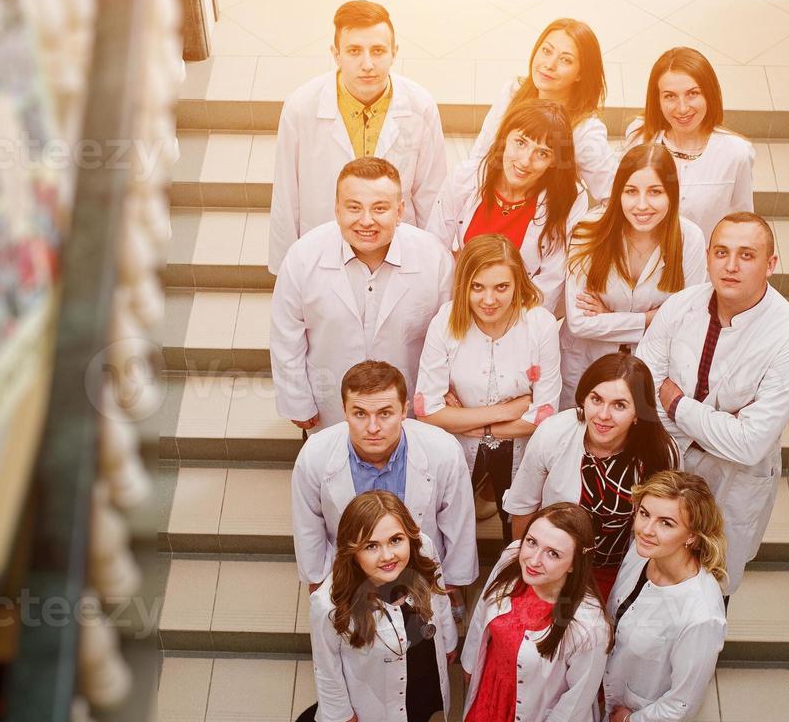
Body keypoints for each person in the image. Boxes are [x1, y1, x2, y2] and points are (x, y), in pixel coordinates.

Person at [637, 211, 789, 597]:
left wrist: (677, 403)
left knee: (712, 585)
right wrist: (720, 423)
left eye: (747, 255)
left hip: (733, 480)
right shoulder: (681, 306)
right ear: (708, 257)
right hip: (669, 459)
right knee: (650, 570)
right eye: (721, 252)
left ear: (771, 265)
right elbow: (642, 387)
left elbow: (749, 443)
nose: (731, 266)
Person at [578, 470, 728, 722]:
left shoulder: (701, 614)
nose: (646, 529)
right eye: (644, 513)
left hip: (643, 710)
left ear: (692, 535)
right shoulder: (644, 551)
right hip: (619, 688)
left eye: (666, 523)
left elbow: (684, 699)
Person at [442, 504, 609, 722]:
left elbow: (577, 699)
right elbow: (482, 613)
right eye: (532, 542)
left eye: (552, 553)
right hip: (495, 689)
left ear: (575, 563)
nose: (533, 559)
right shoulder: (512, 558)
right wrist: (471, 664)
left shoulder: (587, 625)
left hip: (544, 707)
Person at [308, 491, 457, 722]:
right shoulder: (329, 603)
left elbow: (440, 597)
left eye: (395, 540)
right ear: (352, 551)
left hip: (420, 670)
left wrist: (449, 643)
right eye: (371, 546)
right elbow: (326, 664)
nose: (388, 555)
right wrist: (338, 711)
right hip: (372, 693)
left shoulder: (423, 554)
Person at [270, 157, 453, 430]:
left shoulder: (434, 257)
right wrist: (297, 400)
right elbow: (286, 336)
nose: (366, 221)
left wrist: (443, 392)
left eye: (380, 208)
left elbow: (451, 335)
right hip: (329, 409)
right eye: (354, 208)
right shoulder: (303, 256)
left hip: (411, 411)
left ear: (400, 210)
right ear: (337, 209)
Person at [268, 0, 447, 273]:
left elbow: (431, 193)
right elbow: (286, 195)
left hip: (397, 248)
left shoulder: (420, 106)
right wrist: (286, 271)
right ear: (336, 54)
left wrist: (434, 264)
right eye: (354, 51)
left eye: (378, 51)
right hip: (323, 249)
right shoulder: (301, 107)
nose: (367, 64)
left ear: (394, 52)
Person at [501, 353, 679, 600]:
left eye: (619, 405)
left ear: (638, 412)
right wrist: (530, 569)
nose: (603, 415)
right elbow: (523, 507)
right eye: (596, 399)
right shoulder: (553, 432)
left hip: (618, 571)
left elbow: (663, 526)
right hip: (554, 568)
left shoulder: (661, 452)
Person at [415, 236, 562, 532]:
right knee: (447, 527)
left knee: (520, 533)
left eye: (501, 287)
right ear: (463, 285)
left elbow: (543, 418)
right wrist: (507, 410)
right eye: (477, 287)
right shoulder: (445, 321)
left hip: (520, 449)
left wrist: (466, 423)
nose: (489, 300)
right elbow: (427, 412)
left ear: (518, 283)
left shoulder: (540, 325)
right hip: (456, 448)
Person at [291, 361, 478, 593]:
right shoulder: (314, 454)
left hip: (421, 574)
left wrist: (449, 587)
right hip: (351, 575)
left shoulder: (444, 451)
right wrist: (319, 585)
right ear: (344, 411)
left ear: (404, 411)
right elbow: (308, 528)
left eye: (385, 413)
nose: (372, 427)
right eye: (360, 413)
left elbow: (458, 524)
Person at [560, 143, 707, 403]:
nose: (642, 205)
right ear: (618, 193)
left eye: (655, 192)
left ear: (671, 194)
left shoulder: (690, 238)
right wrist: (650, 318)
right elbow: (580, 322)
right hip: (585, 362)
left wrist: (610, 317)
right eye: (631, 191)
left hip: (649, 366)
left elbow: (685, 322)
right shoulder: (587, 231)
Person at [428, 99, 590, 316]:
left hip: (521, 313)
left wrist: (511, 325)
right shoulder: (464, 177)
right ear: (504, 138)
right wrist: (453, 313)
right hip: (459, 305)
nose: (525, 161)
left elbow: (551, 280)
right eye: (520, 142)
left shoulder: (570, 197)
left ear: (554, 160)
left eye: (542, 153)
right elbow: (434, 250)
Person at [468, 18, 614, 200]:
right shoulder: (513, 92)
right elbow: (481, 155)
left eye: (565, 60)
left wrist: (579, 224)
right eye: (546, 51)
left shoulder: (586, 130)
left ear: (580, 74)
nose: (549, 64)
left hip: (542, 220)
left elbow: (612, 195)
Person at [624, 47, 754, 240]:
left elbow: (742, 226)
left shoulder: (736, 153)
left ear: (709, 94)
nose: (682, 108)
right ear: (657, 99)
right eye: (670, 96)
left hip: (703, 266)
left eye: (692, 93)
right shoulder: (640, 137)